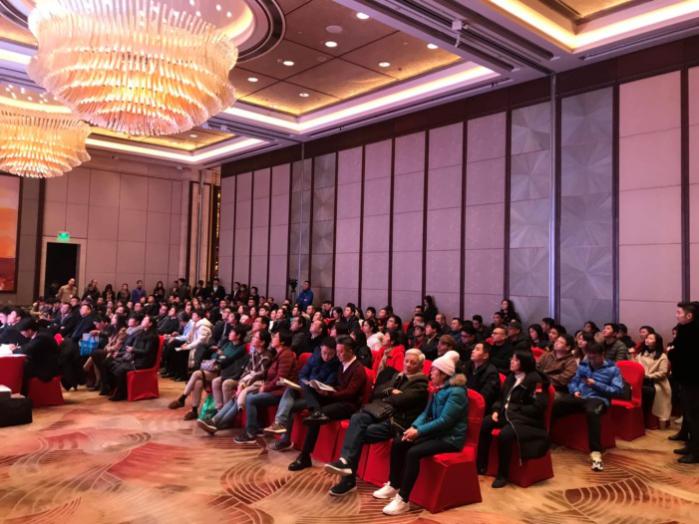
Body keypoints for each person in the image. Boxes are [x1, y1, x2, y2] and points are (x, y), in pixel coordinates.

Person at [324, 349, 429, 496]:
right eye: (406, 361)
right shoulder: (398, 376)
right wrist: (391, 391)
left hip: (396, 423)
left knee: (357, 434)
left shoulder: (421, 384)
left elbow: (401, 400)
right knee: (357, 419)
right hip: (382, 414)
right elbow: (377, 391)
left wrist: (389, 395)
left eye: (413, 363)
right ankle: (345, 461)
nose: (408, 365)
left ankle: (348, 480)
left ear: (421, 366)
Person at [374, 351, 467, 516]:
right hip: (437, 433)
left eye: (434, 371)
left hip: (450, 438)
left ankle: (403, 500)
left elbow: (445, 421)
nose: (430, 373)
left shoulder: (457, 392)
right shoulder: (439, 388)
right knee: (399, 442)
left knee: (413, 452)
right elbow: (426, 413)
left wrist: (419, 431)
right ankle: (394, 485)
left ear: (444, 374)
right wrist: (414, 427)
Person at [287, 335, 367, 472]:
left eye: (341, 352)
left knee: (316, 418)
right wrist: (325, 390)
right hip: (336, 398)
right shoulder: (343, 364)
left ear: (350, 351)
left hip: (348, 405)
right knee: (308, 388)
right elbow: (338, 386)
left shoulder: (358, 369)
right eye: (338, 351)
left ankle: (305, 456)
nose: (338, 355)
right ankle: (315, 409)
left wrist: (330, 393)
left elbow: (350, 393)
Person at [477, 350, 549, 488]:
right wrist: (496, 410)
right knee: (484, 424)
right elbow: (501, 398)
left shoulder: (536, 381)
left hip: (525, 419)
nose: (511, 362)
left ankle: (502, 475)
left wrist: (516, 410)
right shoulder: (511, 377)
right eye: (512, 359)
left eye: (515, 360)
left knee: (505, 435)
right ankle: (481, 464)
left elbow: (539, 406)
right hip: (506, 414)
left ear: (524, 363)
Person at [553, 342, 623, 471]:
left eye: (594, 357)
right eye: (589, 357)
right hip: (580, 397)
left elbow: (617, 391)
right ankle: (548, 438)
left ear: (602, 355)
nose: (591, 360)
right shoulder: (584, 365)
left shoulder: (613, 369)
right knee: (555, 404)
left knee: (592, 412)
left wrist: (596, 384)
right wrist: (574, 390)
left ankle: (596, 452)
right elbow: (573, 381)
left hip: (598, 399)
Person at [264, 337, 340, 450]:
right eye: (324, 353)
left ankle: (283, 435)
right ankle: (279, 424)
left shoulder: (336, 365)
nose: (326, 357)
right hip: (305, 389)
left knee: (290, 406)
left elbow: (329, 383)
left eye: (330, 354)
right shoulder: (314, 358)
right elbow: (302, 374)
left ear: (335, 353)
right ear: (320, 349)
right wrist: (306, 383)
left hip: (317, 396)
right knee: (289, 390)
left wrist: (315, 386)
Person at [197, 330, 273, 434]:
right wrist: (241, 383)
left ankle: (217, 425)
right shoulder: (254, 353)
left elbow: (259, 375)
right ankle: (214, 421)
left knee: (237, 399)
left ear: (262, 342)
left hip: (257, 384)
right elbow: (246, 371)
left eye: (255, 337)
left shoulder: (267, 356)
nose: (252, 339)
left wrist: (243, 385)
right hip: (246, 382)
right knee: (233, 399)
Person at [233, 330, 298, 444]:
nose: (272, 339)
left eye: (275, 337)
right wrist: (260, 382)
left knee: (251, 398)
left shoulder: (286, 354)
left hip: (281, 392)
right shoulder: (279, 353)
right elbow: (269, 374)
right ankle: (258, 427)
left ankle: (250, 433)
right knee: (251, 394)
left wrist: (266, 388)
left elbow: (280, 379)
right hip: (275, 389)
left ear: (282, 341)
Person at [667, 301, 699, 463]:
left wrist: (671, 352)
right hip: (687, 378)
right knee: (689, 414)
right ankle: (690, 445)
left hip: (693, 380)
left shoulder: (692, 332)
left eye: (679, 313)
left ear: (689, 315)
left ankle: (696, 452)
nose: (676, 315)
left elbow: (682, 355)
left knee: (694, 416)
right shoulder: (686, 329)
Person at [101, 315, 159, 401]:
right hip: (135, 357)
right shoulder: (140, 332)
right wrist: (125, 352)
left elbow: (147, 351)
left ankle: (121, 393)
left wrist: (133, 349)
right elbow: (133, 347)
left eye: (145, 320)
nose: (142, 321)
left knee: (120, 369)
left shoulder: (153, 336)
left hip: (143, 362)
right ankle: (110, 388)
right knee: (108, 362)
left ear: (150, 324)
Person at [634, 332, 671, 428]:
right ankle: (637, 419)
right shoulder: (641, 354)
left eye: (650, 338)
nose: (647, 340)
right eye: (647, 338)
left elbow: (663, 372)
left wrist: (648, 376)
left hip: (656, 382)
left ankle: (645, 420)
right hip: (641, 380)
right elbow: (634, 366)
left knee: (647, 391)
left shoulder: (662, 356)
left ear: (657, 342)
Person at [16, 318, 60, 393]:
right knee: (23, 366)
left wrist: (14, 349)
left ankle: (23, 394)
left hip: (47, 368)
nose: (21, 333)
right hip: (42, 362)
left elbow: (28, 349)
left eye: (22, 331)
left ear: (29, 330)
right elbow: (29, 346)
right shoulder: (39, 333)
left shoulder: (42, 336)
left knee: (21, 369)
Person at [465, 342, 500, 412]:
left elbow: (484, 397)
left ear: (485, 356)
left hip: (479, 406)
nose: (473, 351)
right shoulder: (468, 365)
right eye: (474, 349)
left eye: (477, 349)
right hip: (465, 400)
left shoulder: (491, 373)